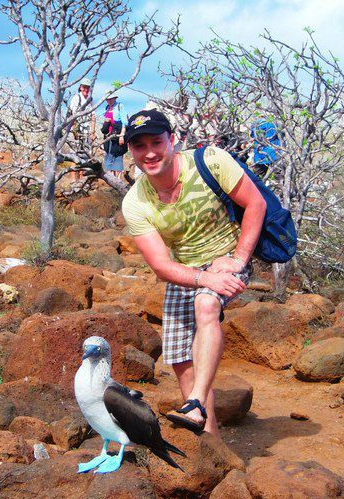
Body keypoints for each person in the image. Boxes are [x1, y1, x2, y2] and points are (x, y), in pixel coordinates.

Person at [121, 109, 267, 437]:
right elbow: (160, 265)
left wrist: (239, 260)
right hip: (186, 270)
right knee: (179, 359)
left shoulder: (210, 161)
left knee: (206, 306)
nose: (150, 152)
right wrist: (202, 278)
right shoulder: (135, 202)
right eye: (139, 145)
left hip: (226, 258)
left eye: (156, 142)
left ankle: (197, 400)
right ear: (130, 150)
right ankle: (211, 444)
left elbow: (255, 205)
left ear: (172, 140)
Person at [68, 78, 96, 181]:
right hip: (77, 131)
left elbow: (93, 116)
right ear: (80, 87)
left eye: (88, 87)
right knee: (74, 155)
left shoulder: (90, 100)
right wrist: (75, 131)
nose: (86, 89)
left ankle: (81, 179)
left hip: (86, 132)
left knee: (84, 156)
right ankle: (72, 180)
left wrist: (92, 132)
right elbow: (73, 116)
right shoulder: (76, 98)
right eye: (84, 87)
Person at [101, 94, 127, 179]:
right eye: (107, 99)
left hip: (118, 134)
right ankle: (111, 178)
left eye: (110, 99)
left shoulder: (120, 106)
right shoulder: (107, 108)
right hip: (108, 136)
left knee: (118, 155)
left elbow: (124, 122)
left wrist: (122, 135)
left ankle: (118, 179)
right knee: (109, 155)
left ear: (114, 98)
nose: (109, 101)